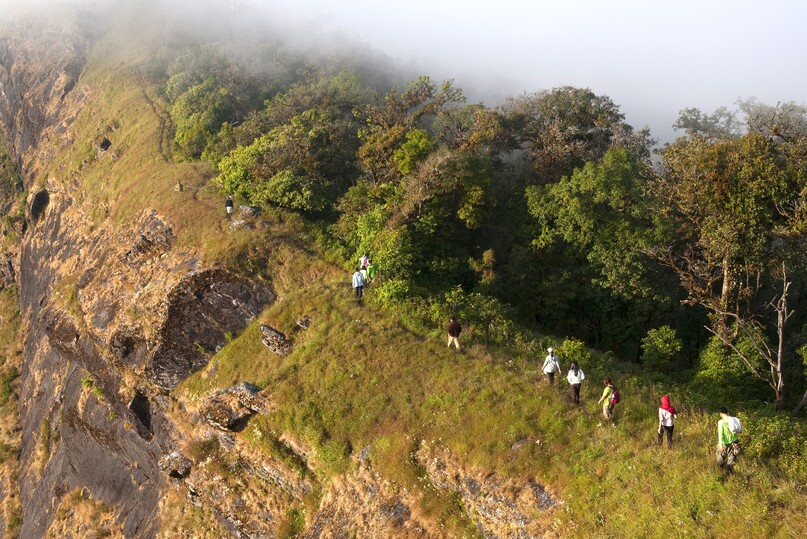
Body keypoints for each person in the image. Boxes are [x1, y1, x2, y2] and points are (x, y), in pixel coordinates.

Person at [716, 407, 740, 475]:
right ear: (728, 412)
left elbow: (720, 434)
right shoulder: (733, 419)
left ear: (721, 414)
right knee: (732, 459)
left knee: (719, 459)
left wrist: (720, 445)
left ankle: (724, 469)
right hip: (734, 442)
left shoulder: (720, 422)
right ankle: (730, 473)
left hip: (725, 443)